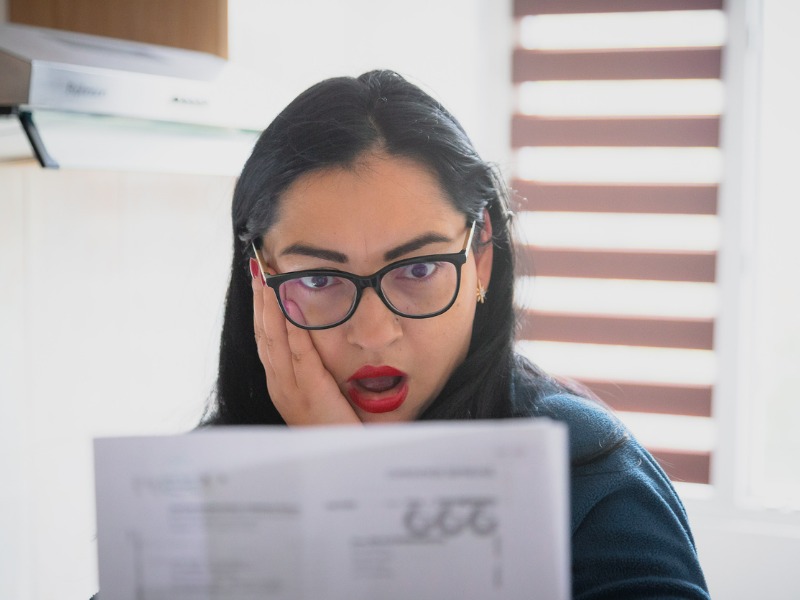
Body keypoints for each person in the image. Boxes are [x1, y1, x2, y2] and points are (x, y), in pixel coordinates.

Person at [201, 69, 710, 598]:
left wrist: (351, 486)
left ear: (481, 256)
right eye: (319, 279)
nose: (374, 334)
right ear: (259, 278)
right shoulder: (193, 488)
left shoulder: (587, 478)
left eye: (418, 270)